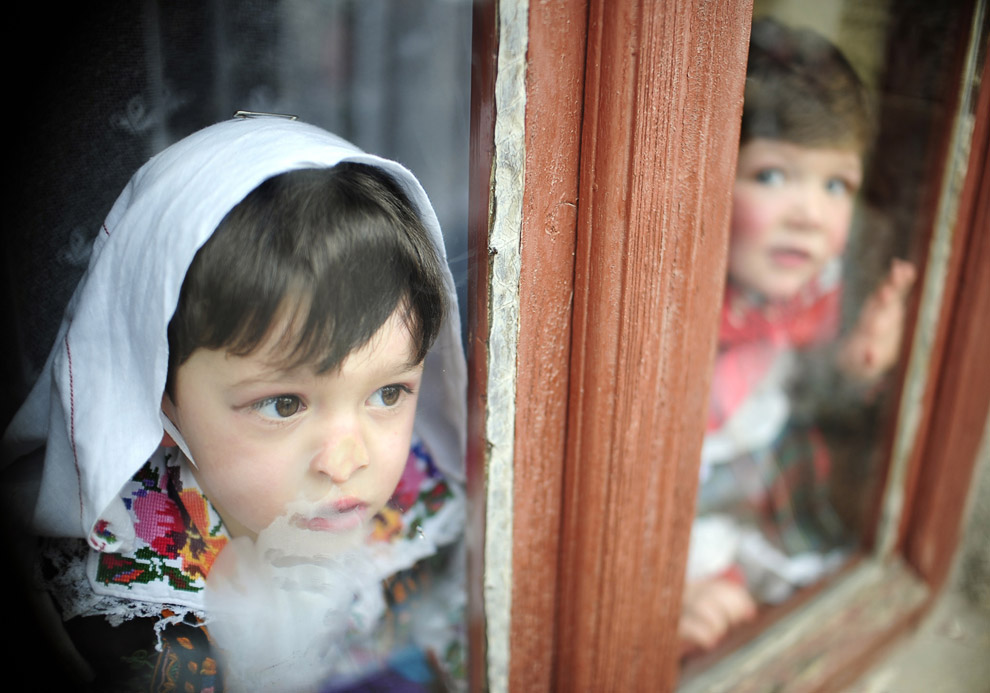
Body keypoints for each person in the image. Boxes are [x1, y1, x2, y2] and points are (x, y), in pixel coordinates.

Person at [1, 115, 467, 691]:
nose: (346, 462)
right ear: (162, 396)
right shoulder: (119, 601)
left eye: (389, 393)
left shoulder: (415, 513)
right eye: (284, 404)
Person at [678, 18, 916, 655]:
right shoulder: (678, 300)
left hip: (757, 480)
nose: (810, 215)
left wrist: (858, 367)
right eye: (773, 176)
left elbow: (815, 395)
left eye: (836, 185)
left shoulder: (822, 287)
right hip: (681, 498)